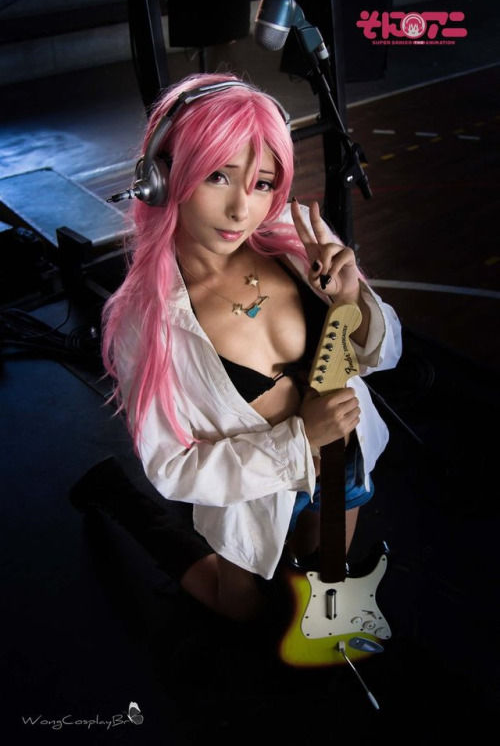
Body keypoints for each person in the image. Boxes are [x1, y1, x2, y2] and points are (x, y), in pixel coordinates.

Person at [100, 72, 402, 622]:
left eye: (262, 183)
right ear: (162, 179)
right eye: (218, 176)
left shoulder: (293, 243)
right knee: (240, 612)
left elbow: (381, 353)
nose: (242, 210)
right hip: (253, 494)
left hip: (344, 463)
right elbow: (173, 469)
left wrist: (349, 298)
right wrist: (299, 440)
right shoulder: (147, 323)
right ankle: (116, 499)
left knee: (321, 586)